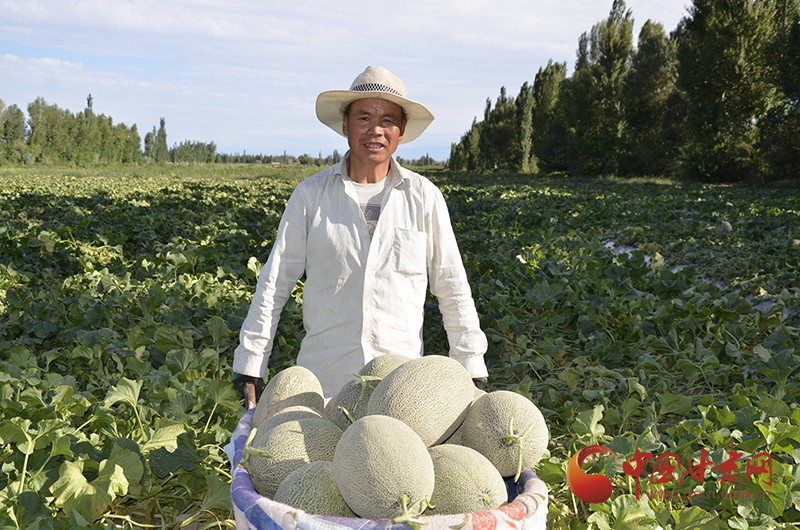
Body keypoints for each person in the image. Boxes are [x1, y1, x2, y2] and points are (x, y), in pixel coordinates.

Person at [232, 65, 488, 400]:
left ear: (401, 128)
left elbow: (452, 285)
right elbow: (275, 281)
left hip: (399, 390)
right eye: (364, 118)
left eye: (387, 120)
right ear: (345, 124)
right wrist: (252, 360)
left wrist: (470, 364)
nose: (375, 131)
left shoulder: (424, 197)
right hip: (322, 384)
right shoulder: (311, 195)